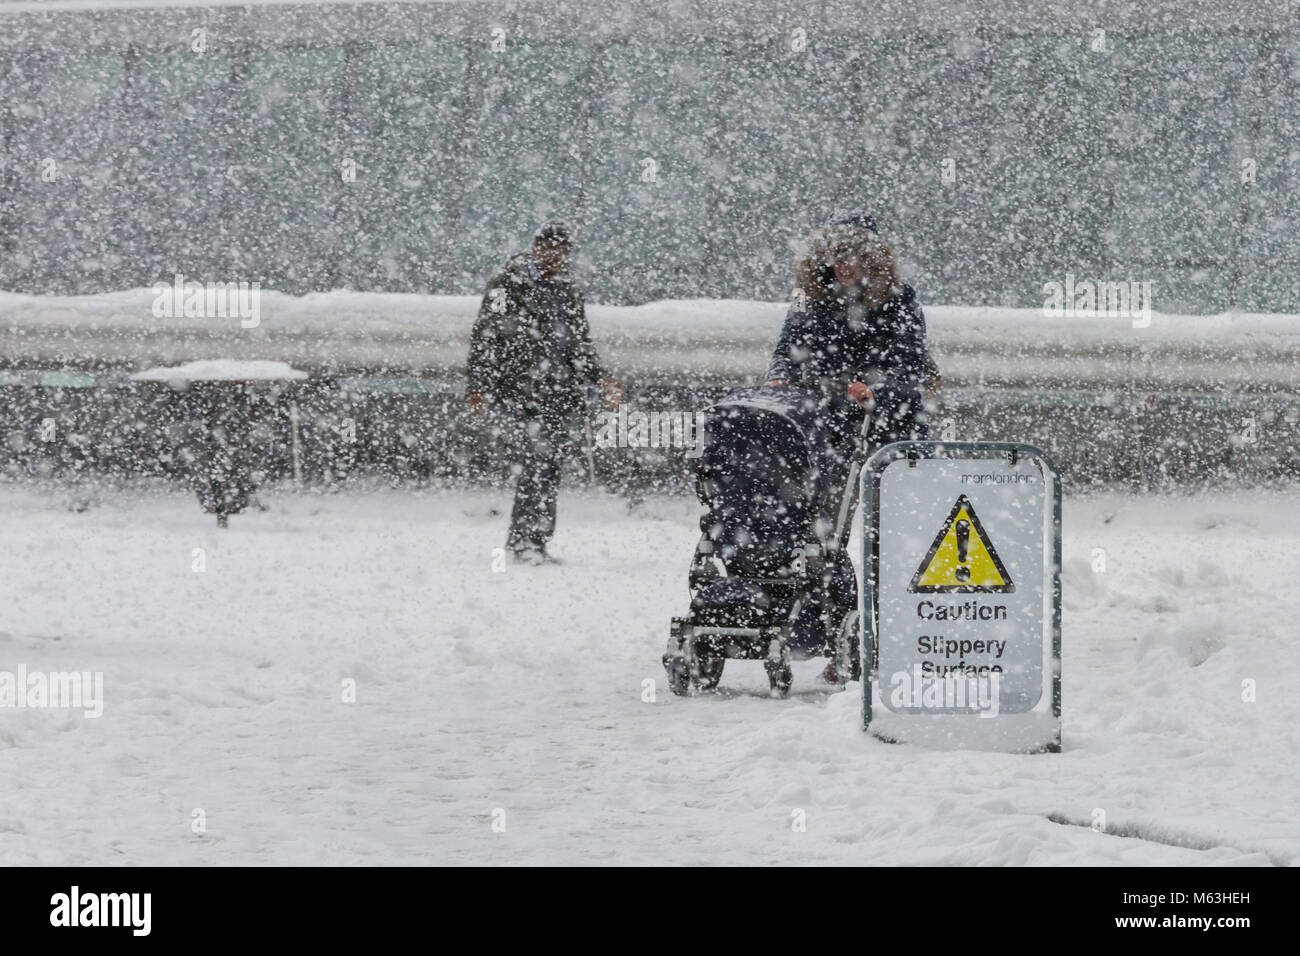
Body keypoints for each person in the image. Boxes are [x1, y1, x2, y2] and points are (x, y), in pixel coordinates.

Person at [765, 215, 938, 681]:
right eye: (838, 256)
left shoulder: (899, 302)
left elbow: (914, 367)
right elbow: (786, 351)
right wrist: (779, 378)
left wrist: (874, 388)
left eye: (854, 256)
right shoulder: (809, 302)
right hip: (829, 432)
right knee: (826, 538)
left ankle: (888, 643)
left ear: (872, 260)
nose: (845, 265)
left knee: (890, 543)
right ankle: (830, 636)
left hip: (888, 435)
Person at [466, 221, 625, 564]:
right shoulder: (508, 284)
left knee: (549, 467)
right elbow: (485, 336)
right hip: (523, 392)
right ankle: (524, 542)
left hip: (559, 393)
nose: (555, 257)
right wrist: (479, 385)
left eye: (562, 251)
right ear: (536, 247)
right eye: (549, 249)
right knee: (537, 463)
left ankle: (535, 540)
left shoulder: (568, 291)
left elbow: (580, 345)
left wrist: (601, 379)